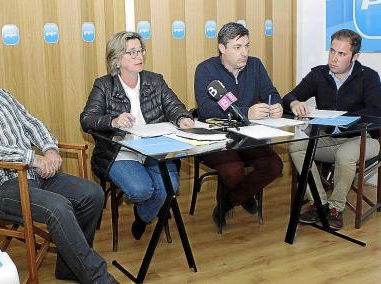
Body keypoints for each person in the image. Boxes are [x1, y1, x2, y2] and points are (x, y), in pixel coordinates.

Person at [0, 40, 118, 284]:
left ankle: (69, 267)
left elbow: (32, 124)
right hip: (0, 188)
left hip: (33, 175)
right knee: (58, 207)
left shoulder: (2, 95)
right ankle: (98, 278)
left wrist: (50, 149)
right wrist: (32, 158)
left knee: (93, 194)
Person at [80, 31, 194, 240]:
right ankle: (149, 210)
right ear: (116, 59)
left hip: (155, 149)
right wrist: (112, 121)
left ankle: (142, 217)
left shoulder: (155, 80)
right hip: (121, 151)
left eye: (140, 51)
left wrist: (182, 118)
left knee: (170, 188)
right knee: (142, 190)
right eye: (131, 53)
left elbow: (174, 106)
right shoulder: (104, 85)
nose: (138, 56)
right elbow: (87, 119)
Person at [283, 29, 381, 230]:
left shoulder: (369, 77)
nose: (334, 59)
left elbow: (376, 112)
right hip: (329, 138)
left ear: (355, 57)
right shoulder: (319, 74)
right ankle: (319, 203)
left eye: (341, 54)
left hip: (364, 139)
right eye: (332, 51)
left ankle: (336, 208)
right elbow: (289, 96)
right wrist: (294, 104)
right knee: (297, 146)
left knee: (345, 155)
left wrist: (342, 119)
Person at [194, 22, 283, 228]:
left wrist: (275, 104)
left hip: (249, 137)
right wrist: (245, 112)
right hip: (217, 138)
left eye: (247, 46)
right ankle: (244, 196)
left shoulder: (255, 65)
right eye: (237, 47)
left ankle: (229, 201)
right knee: (233, 170)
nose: (244, 53)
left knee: (274, 165)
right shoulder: (205, 70)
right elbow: (207, 109)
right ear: (222, 48)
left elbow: (271, 92)